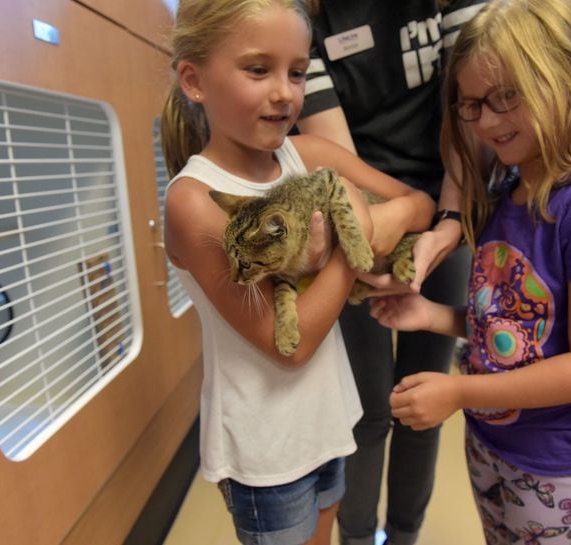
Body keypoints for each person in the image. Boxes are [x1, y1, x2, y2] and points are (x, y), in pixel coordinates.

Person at [368, 0, 571, 542]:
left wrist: (458, 394)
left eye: (506, 97)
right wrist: (432, 315)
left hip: (552, 463)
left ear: (568, 78)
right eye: (473, 105)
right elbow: (521, 330)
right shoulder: (508, 190)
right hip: (492, 440)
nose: (488, 122)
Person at [160, 1, 435, 544]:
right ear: (194, 80)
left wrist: (373, 216)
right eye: (258, 70)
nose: (285, 92)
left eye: (298, 71)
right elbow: (291, 344)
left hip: (328, 418)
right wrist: (347, 239)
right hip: (266, 451)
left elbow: (420, 204)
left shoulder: (307, 155)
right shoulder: (194, 202)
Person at [296, 2, 486, 544]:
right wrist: (379, 247)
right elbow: (338, 159)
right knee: (368, 410)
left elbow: (467, 117)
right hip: (361, 216)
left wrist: (445, 224)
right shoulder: (308, 16)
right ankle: (359, 537)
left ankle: (404, 535)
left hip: (449, 207)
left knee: (422, 403)